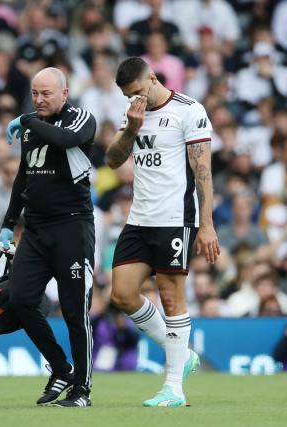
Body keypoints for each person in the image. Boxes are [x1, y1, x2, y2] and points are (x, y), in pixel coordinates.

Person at [105, 57, 220, 407]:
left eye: (138, 91)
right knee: (122, 295)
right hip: (139, 218)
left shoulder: (188, 110)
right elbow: (111, 160)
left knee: (171, 298)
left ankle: (174, 388)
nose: (134, 100)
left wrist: (207, 224)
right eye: (128, 96)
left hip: (174, 219)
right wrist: (131, 128)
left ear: (152, 79)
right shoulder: (133, 116)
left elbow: (203, 172)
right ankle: (182, 356)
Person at [0, 67, 97, 407]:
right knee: (20, 300)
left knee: (74, 311)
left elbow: (65, 140)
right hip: (37, 231)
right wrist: (9, 223)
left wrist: (26, 119)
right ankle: (61, 368)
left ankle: (82, 389)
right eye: (35, 94)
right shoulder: (31, 126)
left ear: (65, 94)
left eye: (46, 94)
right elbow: (23, 177)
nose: (39, 100)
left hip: (73, 229)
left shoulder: (81, 118)